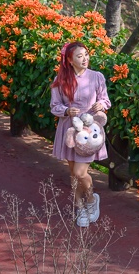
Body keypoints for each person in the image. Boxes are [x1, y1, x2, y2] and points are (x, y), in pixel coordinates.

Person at [50, 41, 111, 227]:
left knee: (79, 171)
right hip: (70, 129)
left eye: (86, 54)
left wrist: (101, 105)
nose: (85, 59)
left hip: (89, 130)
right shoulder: (60, 80)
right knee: (73, 173)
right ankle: (80, 207)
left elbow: (105, 100)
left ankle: (92, 199)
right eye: (79, 56)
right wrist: (67, 111)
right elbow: (54, 106)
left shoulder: (97, 77)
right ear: (69, 60)